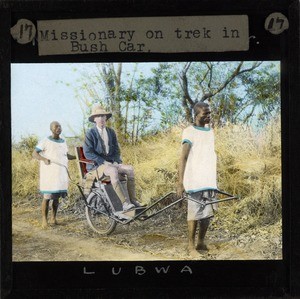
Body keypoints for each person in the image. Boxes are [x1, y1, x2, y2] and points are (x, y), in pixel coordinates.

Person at [83, 104, 144, 211]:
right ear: (94, 119)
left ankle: (133, 200)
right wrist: (103, 161)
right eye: (98, 116)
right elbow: (88, 152)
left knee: (130, 169)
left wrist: (116, 161)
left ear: (106, 118)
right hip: (97, 167)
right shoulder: (90, 133)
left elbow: (116, 149)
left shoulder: (110, 132)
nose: (101, 119)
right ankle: (125, 203)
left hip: (111, 164)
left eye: (103, 116)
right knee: (113, 171)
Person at [177, 101, 218, 257]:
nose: (208, 116)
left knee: (207, 213)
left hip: (208, 178)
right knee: (194, 213)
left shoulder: (210, 131)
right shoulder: (189, 132)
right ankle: (190, 246)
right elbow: (183, 158)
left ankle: (201, 241)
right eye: (205, 114)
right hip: (194, 178)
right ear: (196, 115)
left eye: (209, 113)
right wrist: (180, 183)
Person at [32, 121, 75, 228]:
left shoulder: (63, 142)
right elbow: (35, 153)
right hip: (49, 173)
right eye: (56, 126)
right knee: (47, 197)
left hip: (60, 173)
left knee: (56, 198)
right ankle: (44, 220)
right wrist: (44, 159)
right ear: (51, 129)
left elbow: (66, 155)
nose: (58, 128)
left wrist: (77, 157)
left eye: (60, 126)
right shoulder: (45, 141)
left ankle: (53, 218)